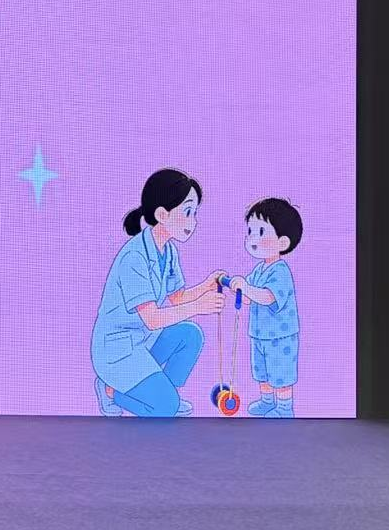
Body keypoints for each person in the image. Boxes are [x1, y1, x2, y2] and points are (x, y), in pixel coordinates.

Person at [91, 169, 225, 418]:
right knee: (165, 408)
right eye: (187, 212)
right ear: (162, 214)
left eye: (195, 213)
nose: (193, 221)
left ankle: (165, 392)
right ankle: (110, 390)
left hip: (141, 342)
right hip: (117, 350)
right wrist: (200, 306)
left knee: (190, 334)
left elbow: (177, 298)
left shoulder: (168, 250)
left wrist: (206, 285)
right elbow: (152, 319)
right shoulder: (134, 257)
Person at [234, 197, 303, 417]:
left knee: (280, 374)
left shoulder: (280, 271)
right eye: (250, 231)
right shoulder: (259, 269)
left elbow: (267, 297)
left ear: (282, 243)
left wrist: (246, 288)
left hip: (279, 337)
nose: (252, 238)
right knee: (262, 372)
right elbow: (249, 297)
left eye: (261, 232)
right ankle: (266, 401)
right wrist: (240, 289)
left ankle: (284, 408)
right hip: (259, 334)